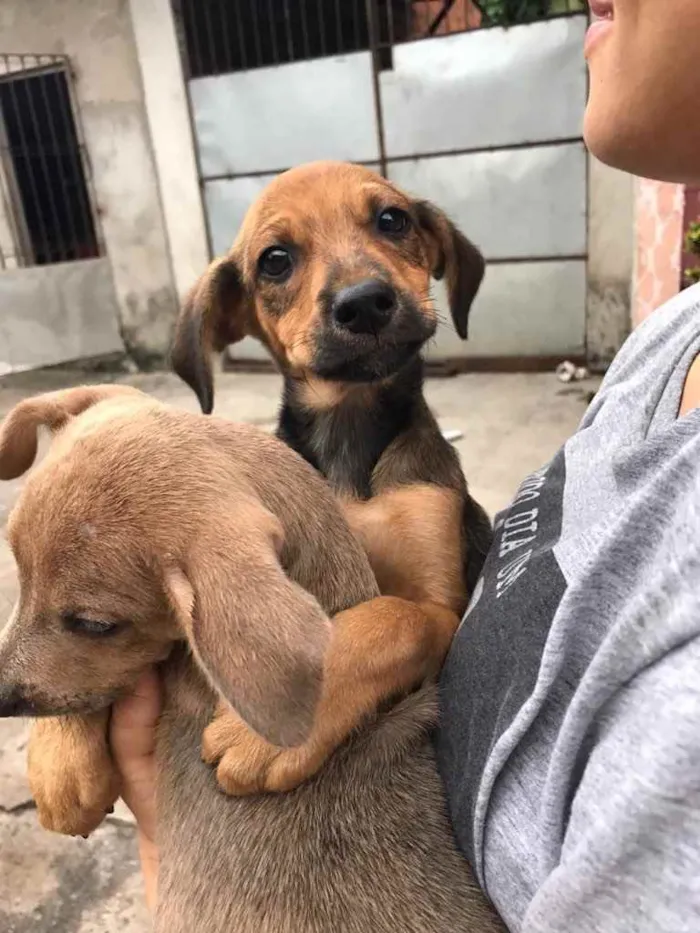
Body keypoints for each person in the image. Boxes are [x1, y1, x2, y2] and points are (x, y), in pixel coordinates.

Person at [111, 1, 700, 927]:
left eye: (389, 226)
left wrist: (377, 636)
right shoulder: (664, 350)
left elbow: (431, 621)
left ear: (434, 259)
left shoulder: (423, 484)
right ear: (233, 321)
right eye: (281, 264)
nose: (357, 282)